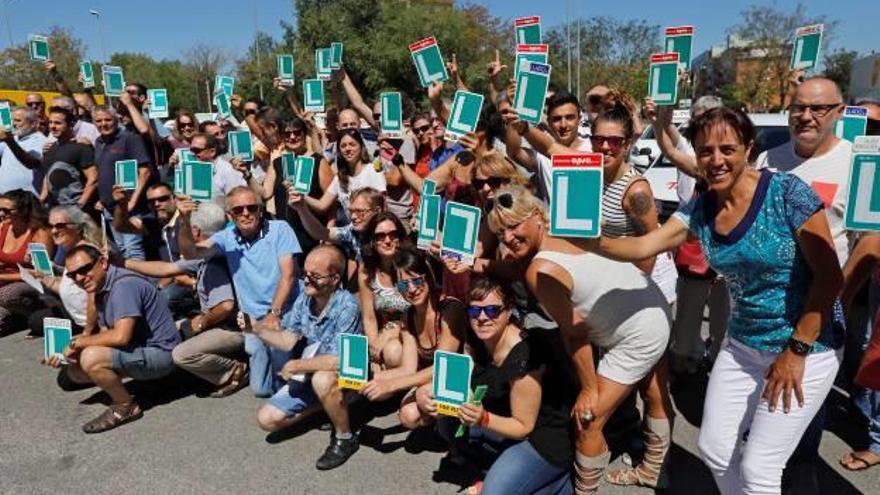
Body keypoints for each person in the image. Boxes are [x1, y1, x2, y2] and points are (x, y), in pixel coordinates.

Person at [593, 107, 844, 494]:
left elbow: (830, 276)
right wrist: (586, 238)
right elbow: (646, 243)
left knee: (760, 466)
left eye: (727, 148)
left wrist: (796, 351)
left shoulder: (787, 193)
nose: (716, 159)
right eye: (705, 150)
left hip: (807, 346)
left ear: (747, 147)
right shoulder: (701, 206)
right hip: (742, 344)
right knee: (714, 449)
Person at [484, 185, 672, 493]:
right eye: (500, 232)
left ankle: (587, 490)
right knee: (653, 393)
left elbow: (575, 332)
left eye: (513, 225)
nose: (506, 237)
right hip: (650, 305)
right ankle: (654, 470)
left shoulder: (539, 270)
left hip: (635, 332)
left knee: (587, 420)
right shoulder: (570, 226)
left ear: (535, 217)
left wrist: (588, 388)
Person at [452, 277, 576, 495]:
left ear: (509, 311)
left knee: (493, 493)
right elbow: (468, 378)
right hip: (506, 420)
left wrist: (483, 418)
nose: (482, 318)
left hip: (543, 439)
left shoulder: (524, 356)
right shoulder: (477, 337)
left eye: (492, 310)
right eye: (474, 311)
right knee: (449, 425)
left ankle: (559, 483)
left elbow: (523, 426)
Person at [177, 186, 300, 397]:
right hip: (252, 320)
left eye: (251, 208)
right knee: (261, 390)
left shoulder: (280, 229)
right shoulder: (226, 238)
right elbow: (190, 253)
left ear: (260, 210)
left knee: (284, 384)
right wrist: (185, 221)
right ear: (229, 215)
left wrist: (274, 313)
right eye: (238, 210)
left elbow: (288, 275)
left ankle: (301, 372)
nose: (245, 213)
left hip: (284, 311)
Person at [46, 244, 180, 433]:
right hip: (139, 348)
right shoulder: (102, 286)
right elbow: (106, 333)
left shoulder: (123, 286)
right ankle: (143, 386)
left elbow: (120, 336)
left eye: (85, 269)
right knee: (74, 371)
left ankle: (125, 406)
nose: (79, 278)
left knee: (90, 358)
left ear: (102, 262)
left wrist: (80, 343)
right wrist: (72, 352)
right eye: (72, 275)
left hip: (162, 354)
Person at [252, 245, 363, 470]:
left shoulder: (348, 306)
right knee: (267, 420)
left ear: (334, 278)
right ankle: (326, 407)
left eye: (315, 276)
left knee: (322, 379)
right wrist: (256, 329)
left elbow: (341, 360)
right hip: (310, 373)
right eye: (305, 274)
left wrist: (297, 364)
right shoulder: (305, 298)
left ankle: (345, 437)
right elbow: (289, 339)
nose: (307, 280)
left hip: (347, 375)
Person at [121, 201, 244, 398]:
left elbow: (226, 306)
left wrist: (203, 322)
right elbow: (166, 269)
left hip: (232, 329)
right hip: (223, 324)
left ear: (196, 232)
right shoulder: (210, 252)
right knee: (169, 330)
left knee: (182, 354)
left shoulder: (213, 262)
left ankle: (233, 371)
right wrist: (124, 262)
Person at [644, 95, 730, 374]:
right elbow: (669, 146)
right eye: (699, 115)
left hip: (728, 264)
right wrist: (661, 113)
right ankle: (687, 364)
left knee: (723, 325)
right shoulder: (693, 158)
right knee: (686, 322)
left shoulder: (742, 167)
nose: (718, 162)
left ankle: (718, 367)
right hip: (692, 251)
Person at [360, 246, 468, 427]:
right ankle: (442, 423)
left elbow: (442, 368)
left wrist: (389, 386)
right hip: (432, 379)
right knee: (408, 416)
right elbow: (408, 369)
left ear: (429, 277)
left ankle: (454, 431)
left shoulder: (450, 309)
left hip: (459, 376)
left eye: (417, 281)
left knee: (423, 395)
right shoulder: (408, 316)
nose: (411, 289)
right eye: (403, 284)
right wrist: (370, 378)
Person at [838, 90, 880, 471]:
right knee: (856, 341)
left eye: (875, 126)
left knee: (872, 345)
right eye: (859, 124)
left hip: (872, 267)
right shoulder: (836, 164)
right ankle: (859, 403)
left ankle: (877, 434)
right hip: (852, 270)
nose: (867, 133)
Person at [503, 90, 592, 204]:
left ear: (579, 119)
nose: (563, 125)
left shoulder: (594, 149)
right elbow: (514, 152)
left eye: (569, 118)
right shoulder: (541, 155)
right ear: (548, 121)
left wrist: (525, 128)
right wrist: (513, 116)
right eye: (557, 119)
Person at [262, 117, 334, 257]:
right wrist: (247, 174)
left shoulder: (318, 161)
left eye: (297, 132)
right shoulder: (278, 163)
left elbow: (332, 204)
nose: (292, 137)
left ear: (304, 134)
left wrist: (328, 232)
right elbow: (265, 194)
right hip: (286, 237)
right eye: (287, 134)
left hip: (312, 235)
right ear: (282, 137)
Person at [27, 205, 100, 337]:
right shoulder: (74, 250)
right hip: (75, 314)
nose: (54, 231)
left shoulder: (86, 253)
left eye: (60, 226)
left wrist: (87, 333)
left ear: (77, 227)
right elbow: (72, 287)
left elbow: (94, 297)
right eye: (52, 226)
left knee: (38, 321)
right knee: (35, 319)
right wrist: (45, 279)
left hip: (91, 321)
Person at [92, 105, 152, 260]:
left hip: (129, 206)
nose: (103, 124)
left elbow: (145, 172)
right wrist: (101, 198)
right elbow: (103, 172)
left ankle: (140, 281)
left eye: (108, 120)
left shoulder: (130, 138)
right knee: (122, 250)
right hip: (109, 207)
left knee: (133, 249)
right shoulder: (98, 142)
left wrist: (132, 201)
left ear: (116, 120)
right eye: (99, 121)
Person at [358, 212, 412, 373]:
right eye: (380, 236)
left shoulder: (410, 267)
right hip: (383, 333)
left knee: (393, 352)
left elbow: (416, 311)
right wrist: (374, 352)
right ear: (372, 241)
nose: (388, 241)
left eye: (393, 235)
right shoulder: (367, 272)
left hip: (409, 330)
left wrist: (389, 335)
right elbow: (369, 317)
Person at [289, 186, 385, 276]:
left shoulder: (394, 234)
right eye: (351, 211)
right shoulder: (353, 232)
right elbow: (321, 233)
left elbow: (399, 272)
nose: (353, 217)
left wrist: (400, 290)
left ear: (377, 211)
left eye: (360, 211)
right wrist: (301, 208)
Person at [304, 128, 386, 220]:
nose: (348, 149)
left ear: (361, 146)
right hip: (351, 230)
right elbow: (322, 205)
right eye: (343, 146)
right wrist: (301, 195)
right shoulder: (339, 178)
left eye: (352, 144)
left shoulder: (373, 170)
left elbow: (383, 205)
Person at [0, 190, 53, 333]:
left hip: (29, 284)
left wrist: (2, 277)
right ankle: (17, 319)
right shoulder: (3, 227)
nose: (1, 214)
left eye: (6, 210)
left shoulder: (39, 233)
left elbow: (42, 273)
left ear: (23, 211)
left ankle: (36, 313)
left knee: (5, 295)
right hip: (4, 283)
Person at [40, 106, 98, 209]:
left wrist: (80, 204)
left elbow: (93, 178)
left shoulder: (81, 147)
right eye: (50, 122)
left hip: (76, 210)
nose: (53, 126)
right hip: (54, 209)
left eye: (58, 123)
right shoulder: (49, 149)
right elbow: (47, 177)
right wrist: (42, 198)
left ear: (70, 124)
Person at [0, 105, 48, 196]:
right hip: (4, 196)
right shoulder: (15, 137)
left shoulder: (41, 140)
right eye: (12, 120)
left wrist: (10, 141)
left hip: (26, 200)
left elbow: (31, 163)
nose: (13, 124)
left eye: (18, 120)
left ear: (33, 124)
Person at [187, 132, 248, 204]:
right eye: (191, 150)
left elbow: (237, 200)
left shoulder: (228, 171)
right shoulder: (190, 169)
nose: (193, 154)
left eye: (197, 151)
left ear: (212, 152)